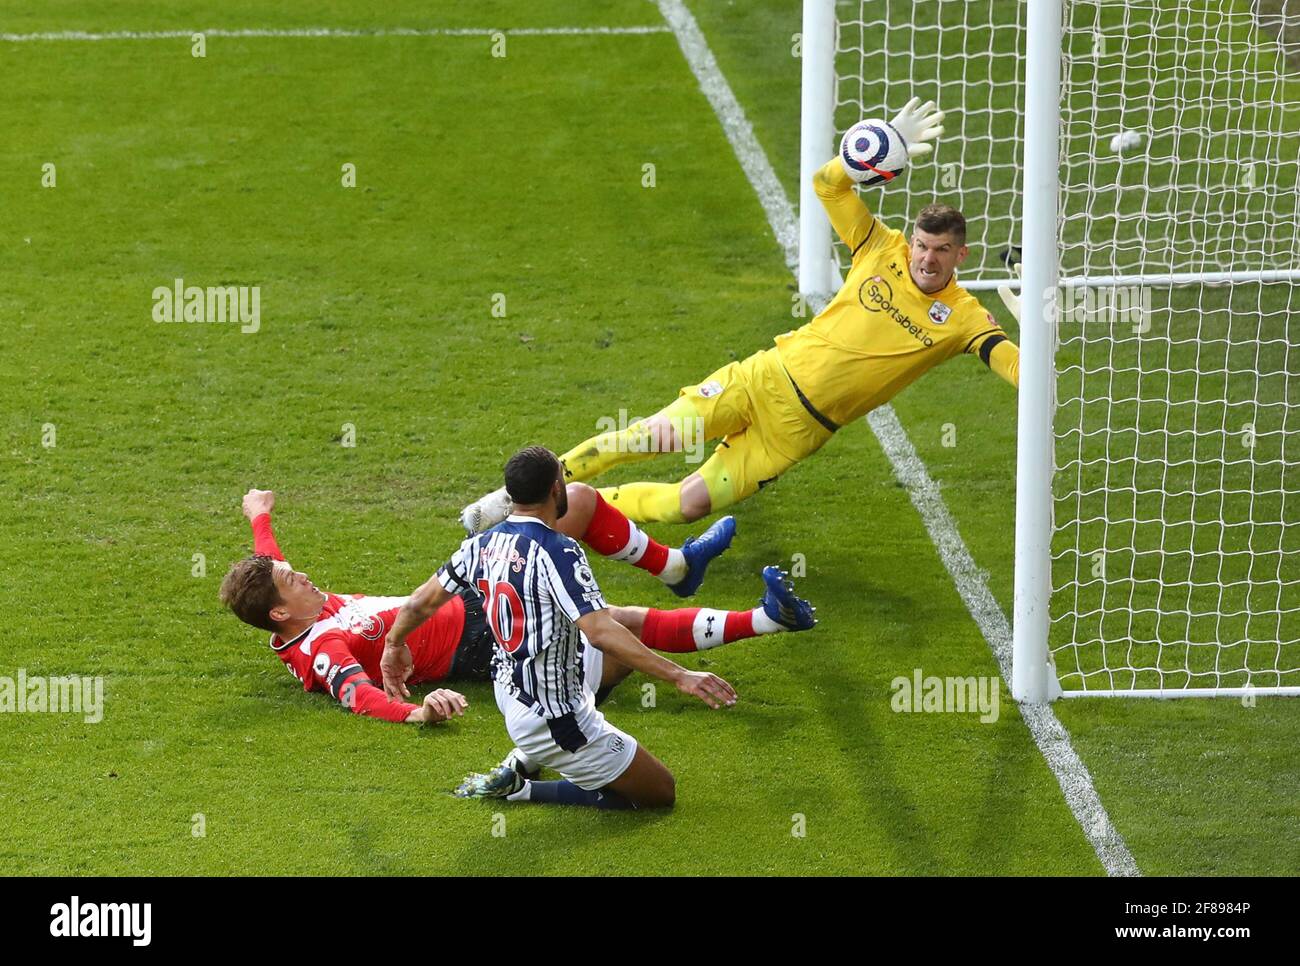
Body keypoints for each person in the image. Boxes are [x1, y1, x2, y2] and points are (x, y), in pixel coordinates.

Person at [460, 98, 1019, 528]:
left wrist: (1038, 337)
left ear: (959, 255)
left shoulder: (965, 317)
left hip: (797, 433)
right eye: (922, 245)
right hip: (762, 377)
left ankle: (571, 510)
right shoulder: (879, 247)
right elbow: (827, 184)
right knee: (645, 438)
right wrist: (874, 145)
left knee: (687, 506)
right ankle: (508, 500)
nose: (926, 258)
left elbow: (1015, 368)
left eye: (940, 251)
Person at [219, 488, 813, 726]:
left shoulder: (294, 606)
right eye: (290, 579)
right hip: (485, 644)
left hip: (470, 595)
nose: (301, 572)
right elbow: (358, 695)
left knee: (570, 500)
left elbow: (267, 561)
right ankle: (765, 619)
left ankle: (678, 568)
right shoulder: (317, 649)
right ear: (278, 613)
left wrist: (259, 515)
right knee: (617, 626)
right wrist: (419, 713)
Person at [382, 447, 761, 809]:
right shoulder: (557, 551)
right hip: (556, 718)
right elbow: (598, 631)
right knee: (660, 792)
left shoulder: (479, 545)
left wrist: (393, 644)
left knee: (625, 645)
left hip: (511, 689)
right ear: (555, 489)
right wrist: (681, 676)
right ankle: (524, 790)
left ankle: (530, 756)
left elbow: (419, 603)